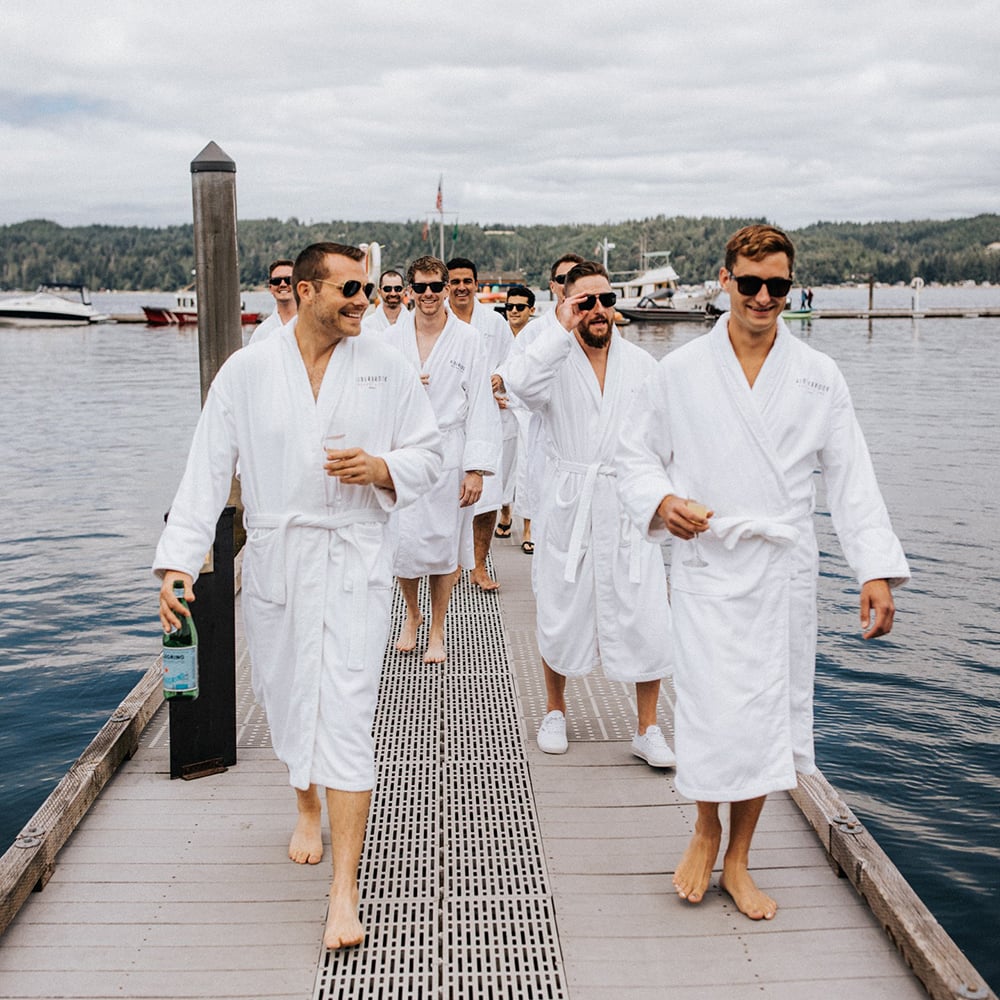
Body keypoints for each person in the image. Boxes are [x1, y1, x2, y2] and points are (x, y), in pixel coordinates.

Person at [153, 242, 442, 949]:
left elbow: (431, 456)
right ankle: (304, 801)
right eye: (349, 288)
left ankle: (344, 893)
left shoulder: (386, 365)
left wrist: (380, 467)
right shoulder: (248, 371)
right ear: (307, 290)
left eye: (368, 291)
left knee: (346, 718)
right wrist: (178, 563)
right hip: (281, 563)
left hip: (353, 561)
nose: (363, 302)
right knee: (285, 701)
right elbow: (206, 470)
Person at [616, 224, 909, 921]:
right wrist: (662, 500)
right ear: (725, 280)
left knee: (765, 718)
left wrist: (872, 568)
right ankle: (704, 828)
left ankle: (740, 857)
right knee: (715, 714)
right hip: (709, 563)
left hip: (780, 572)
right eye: (750, 283)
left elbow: (850, 477)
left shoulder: (817, 374)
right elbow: (634, 456)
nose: (764, 297)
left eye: (778, 286)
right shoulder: (681, 371)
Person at [496, 261, 675, 768]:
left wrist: (666, 502)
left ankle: (648, 728)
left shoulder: (642, 365)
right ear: (567, 305)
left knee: (645, 613)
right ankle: (555, 711)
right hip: (569, 500)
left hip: (624, 500)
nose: (599, 310)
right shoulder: (549, 358)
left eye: (606, 300)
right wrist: (559, 329)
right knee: (561, 605)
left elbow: (664, 442)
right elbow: (520, 386)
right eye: (585, 302)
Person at [378, 255, 500, 663]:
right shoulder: (390, 341)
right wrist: (406, 386)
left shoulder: (469, 340)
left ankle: (437, 627)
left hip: (451, 451)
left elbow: (482, 405)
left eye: (436, 287)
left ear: (447, 289)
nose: (428, 295)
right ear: (410, 291)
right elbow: (375, 398)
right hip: (405, 452)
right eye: (421, 287)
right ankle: (411, 616)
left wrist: (476, 469)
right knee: (404, 545)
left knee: (445, 545)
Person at [500, 254, 585, 556]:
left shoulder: (593, 329)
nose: (569, 285)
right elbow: (514, 374)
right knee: (535, 484)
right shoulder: (536, 332)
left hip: (583, 439)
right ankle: (530, 529)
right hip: (541, 427)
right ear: (553, 286)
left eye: (577, 277)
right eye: (563, 280)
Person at [446, 257, 515, 591]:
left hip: (488, 417)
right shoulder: (437, 321)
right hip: (448, 422)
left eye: (467, 281)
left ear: (476, 284)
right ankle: (452, 563)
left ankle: (479, 566)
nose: (461, 287)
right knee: (447, 496)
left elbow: (511, 362)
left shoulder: (494, 323)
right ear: (447, 285)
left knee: (487, 497)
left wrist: (500, 382)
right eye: (455, 281)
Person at [496, 284, 535, 548]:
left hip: (529, 412)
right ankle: (505, 512)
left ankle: (529, 528)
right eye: (509, 307)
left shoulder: (537, 337)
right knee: (503, 466)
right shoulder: (499, 335)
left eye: (520, 307)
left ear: (531, 310)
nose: (513, 311)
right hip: (502, 411)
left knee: (529, 468)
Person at [247, 258, 296, 346]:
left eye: (289, 280)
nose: (283, 284)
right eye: (276, 281)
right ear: (270, 288)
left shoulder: (315, 327)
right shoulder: (261, 333)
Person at [362, 269, 407, 333]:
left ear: (404, 291)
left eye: (398, 289)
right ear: (379, 292)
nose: (393, 293)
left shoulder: (414, 323)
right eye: (387, 289)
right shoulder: (366, 325)